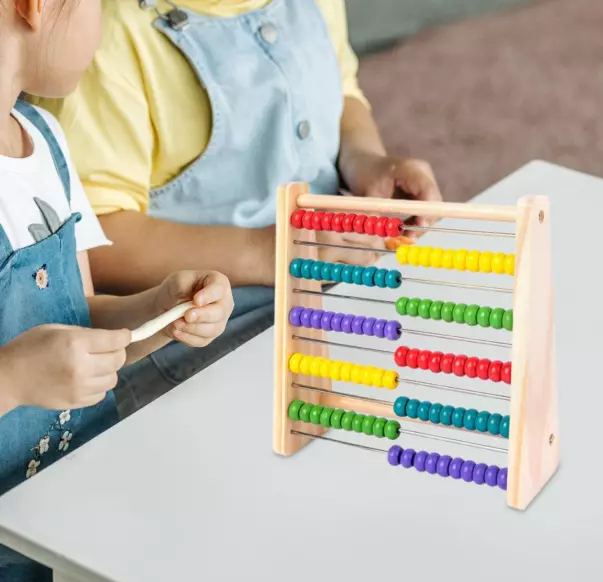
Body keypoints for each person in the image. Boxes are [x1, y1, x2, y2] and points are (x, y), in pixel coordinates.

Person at [37, 0, 442, 417]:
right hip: (199, 339)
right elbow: (94, 243)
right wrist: (274, 251)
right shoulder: (104, 35)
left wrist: (368, 160)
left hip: (334, 283)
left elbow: (341, 90)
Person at [0, 0, 233, 582]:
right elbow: (34, 367)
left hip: (94, 532)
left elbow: (82, 315)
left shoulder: (43, 141)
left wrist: (160, 308)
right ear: (36, 7)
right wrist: (15, 379)